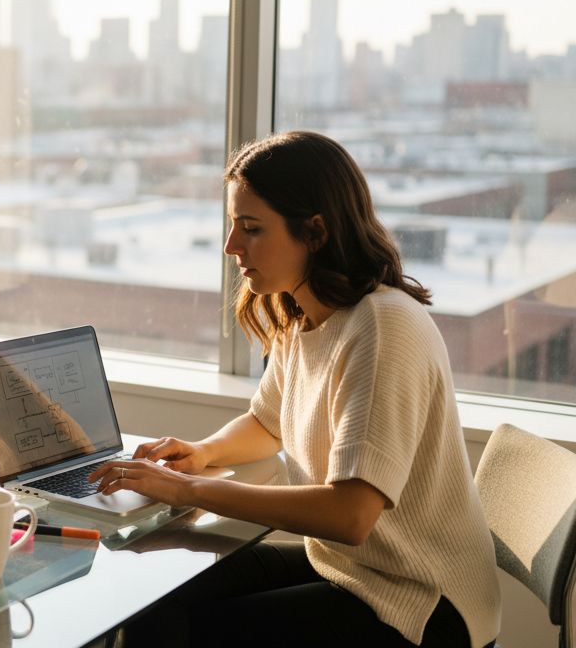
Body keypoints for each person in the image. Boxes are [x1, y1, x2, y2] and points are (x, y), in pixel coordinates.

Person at [92, 131, 500, 647]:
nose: (231, 246)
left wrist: (187, 490)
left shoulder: (381, 328)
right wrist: (202, 453)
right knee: (156, 599)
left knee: (183, 631)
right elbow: (267, 423)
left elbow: (350, 515)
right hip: (356, 570)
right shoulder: (304, 315)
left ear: (315, 231)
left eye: (251, 228)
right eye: (232, 225)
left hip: (422, 601)